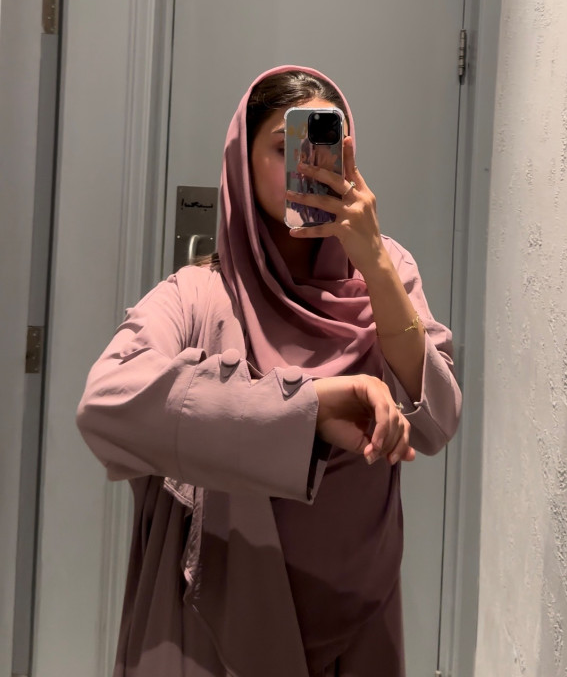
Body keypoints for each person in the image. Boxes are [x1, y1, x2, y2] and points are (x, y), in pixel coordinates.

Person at [77, 65, 462, 677]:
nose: (307, 168)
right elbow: (105, 403)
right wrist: (308, 411)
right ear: (242, 161)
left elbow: (436, 422)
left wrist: (373, 260)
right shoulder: (200, 293)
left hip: (360, 602)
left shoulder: (389, 271)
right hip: (226, 610)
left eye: (324, 149)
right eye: (285, 149)